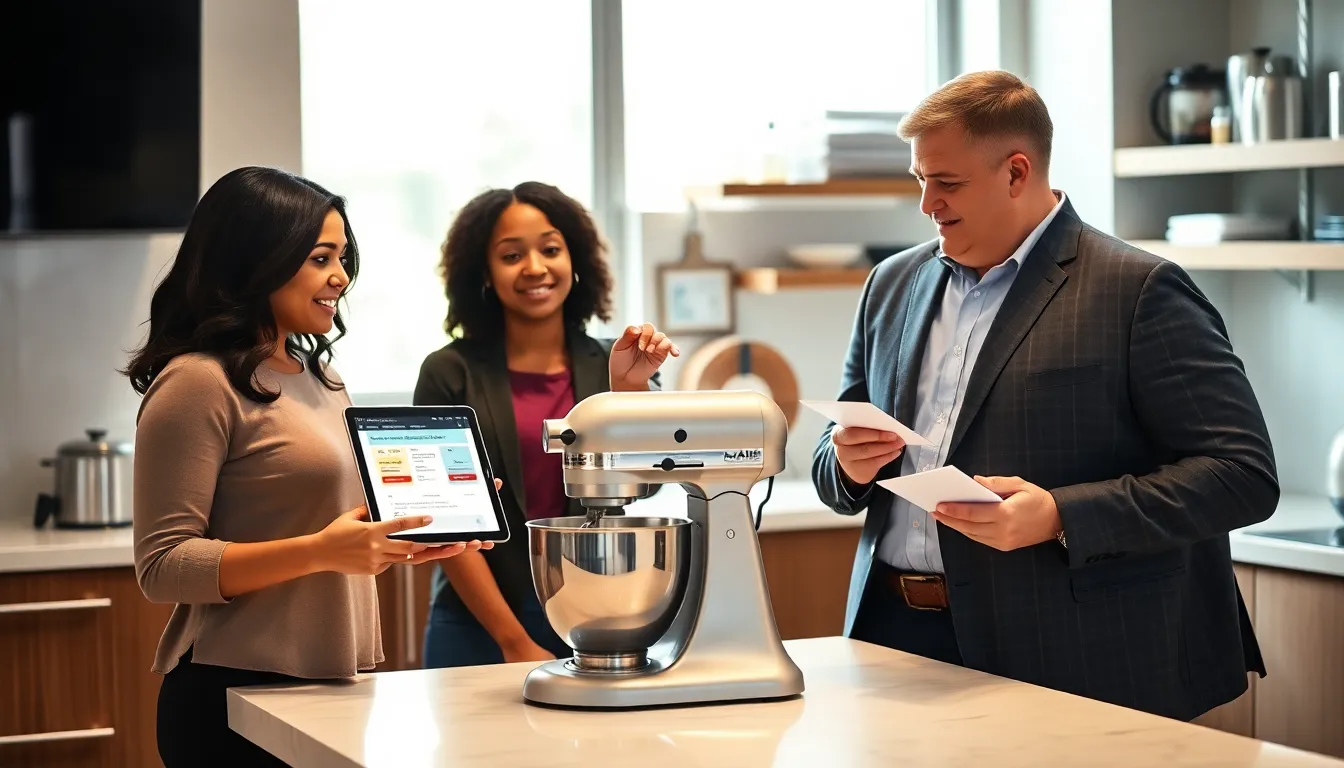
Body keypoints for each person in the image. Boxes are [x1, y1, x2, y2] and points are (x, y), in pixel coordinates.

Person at [811, 71, 1278, 721]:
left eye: (946, 183)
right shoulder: (891, 284)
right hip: (893, 641)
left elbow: (1243, 476)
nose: (926, 204)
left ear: (1016, 172)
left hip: (1074, 654)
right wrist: (847, 463)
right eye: (919, 180)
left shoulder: (1138, 291)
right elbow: (830, 469)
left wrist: (1061, 514)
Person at [126, 166, 491, 767]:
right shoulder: (197, 382)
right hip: (231, 694)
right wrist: (321, 551)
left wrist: (415, 525)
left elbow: (321, 525)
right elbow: (163, 567)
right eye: (322, 258)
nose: (341, 278)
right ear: (257, 259)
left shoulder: (321, 376)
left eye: (343, 257)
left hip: (335, 683)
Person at [414, 181, 678, 668]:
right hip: (477, 623)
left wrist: (631, 394)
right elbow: (442, 523)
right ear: (484, 273)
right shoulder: (448, 372)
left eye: (550, 249)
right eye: (511, 255)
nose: (535, 268)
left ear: (574, 260)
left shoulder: (615, 363)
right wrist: (512, 642)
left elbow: (651, 485)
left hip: (599, 609)